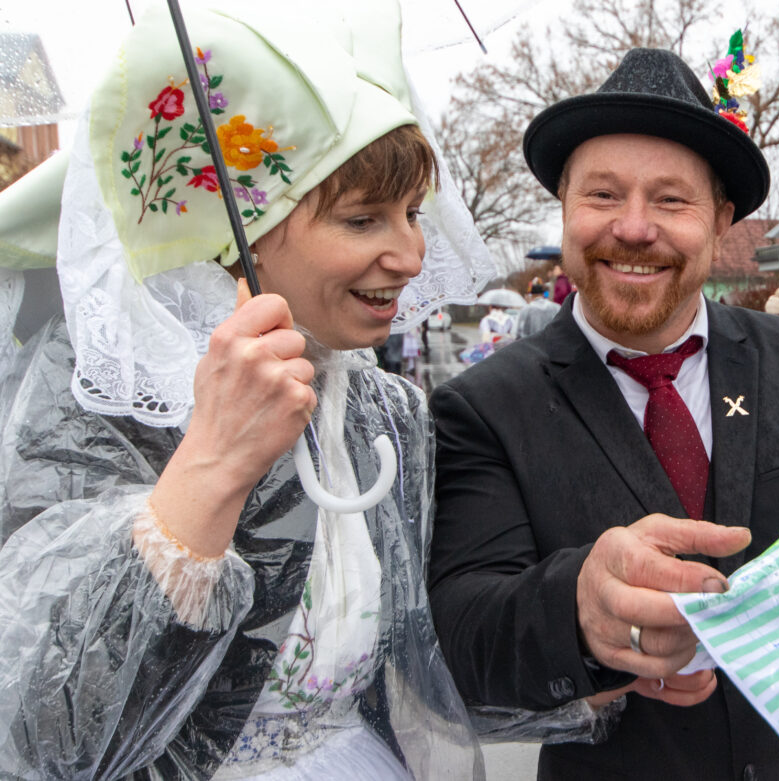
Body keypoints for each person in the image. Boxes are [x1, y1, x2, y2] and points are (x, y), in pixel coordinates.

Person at [427, 47, 779, 780]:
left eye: (671, 200)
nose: (634, 227)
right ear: (564, 206)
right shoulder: (482, 407)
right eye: (602, 195)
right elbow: (461, 630)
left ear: (720, 222)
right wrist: (578, 611)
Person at [0, 2, 492, 777]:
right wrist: (214, 460)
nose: (410, 253)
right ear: (242, 231)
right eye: (363, 219)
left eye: (412, 213)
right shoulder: (111, 391)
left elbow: (430, 642)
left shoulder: (380, 406)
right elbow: (49, 729)